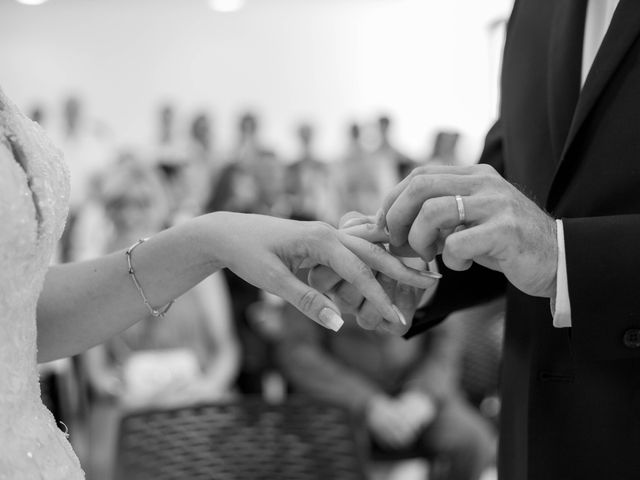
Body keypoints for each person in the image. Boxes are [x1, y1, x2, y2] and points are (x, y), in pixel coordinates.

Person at [0, 86, 436, 479]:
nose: (133, 210)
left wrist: (207, 240)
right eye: (122, 204)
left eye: (143, 201)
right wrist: (208, 238)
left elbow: (25, 313)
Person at [310, 1, 640, 479]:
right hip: (532, 434)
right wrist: (423, 270)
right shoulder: (532, 9)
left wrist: (565, 257)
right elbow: (511, 187)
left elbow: (542, 236)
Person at [276, 303, 496, 480]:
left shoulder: (421, 260)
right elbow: (300, 354)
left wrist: (423, 395)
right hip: (342, 400)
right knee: (333, 448)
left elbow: (446, 341)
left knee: (473, 440)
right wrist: (367, 403)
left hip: (417, 392)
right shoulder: (312, 268)